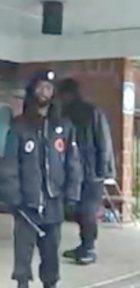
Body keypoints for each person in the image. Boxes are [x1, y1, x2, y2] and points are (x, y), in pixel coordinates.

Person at [0, 71, 82, 288]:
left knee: (51, 256)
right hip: (27, 205)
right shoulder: (19, 126)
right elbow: (9, 164)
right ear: (32, 91)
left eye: (49, 88)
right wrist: (13, 197)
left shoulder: (63, 127)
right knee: (23, 256)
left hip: (54, 204)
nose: (44, 92)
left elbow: (73, 163)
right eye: (40, 87)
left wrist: (72, 195)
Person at [59, 78, 116, 265]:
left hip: (89, 171)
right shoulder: (73, 112)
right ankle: (85, 246)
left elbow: (103, 141)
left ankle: (89, 248)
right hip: (85, 170)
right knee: (82, 210)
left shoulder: (88, 112)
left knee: (86, 211)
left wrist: (104, 169)